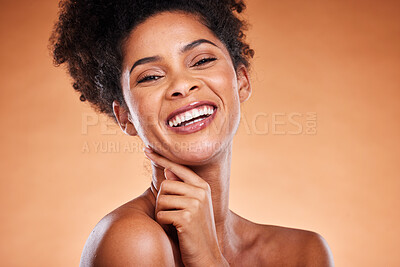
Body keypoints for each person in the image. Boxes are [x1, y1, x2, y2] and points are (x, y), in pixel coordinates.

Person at [50, 0, 334, 266]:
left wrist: (210, 257)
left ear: (241, 81)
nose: (182, 86)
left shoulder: (304, 252)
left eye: (201, 61)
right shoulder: (133, 242)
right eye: (150, 76)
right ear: (126, 118)